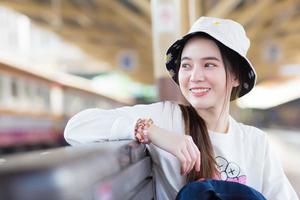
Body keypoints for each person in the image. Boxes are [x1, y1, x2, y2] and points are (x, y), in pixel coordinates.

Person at [64, 16, 298, 200]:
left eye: (209, 64)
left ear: (235, 75)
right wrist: (151, 131)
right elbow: (76, 128)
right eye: (187, 65)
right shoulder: (166, 117)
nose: (195, 76)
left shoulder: (255, 142)